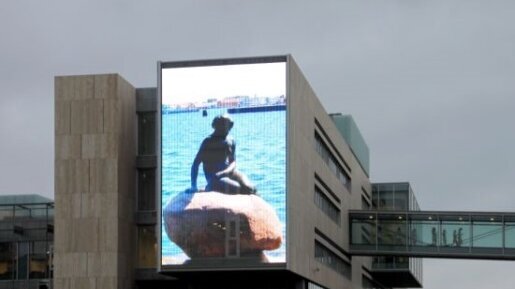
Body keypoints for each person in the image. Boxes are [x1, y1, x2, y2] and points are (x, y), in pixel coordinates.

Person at [190, 114, 256, 195]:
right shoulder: (208, 141)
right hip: (214, 176)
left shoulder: (231, 140)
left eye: (230, 126)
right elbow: (195, 164)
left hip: (229, 172)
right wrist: (194, 186)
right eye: (225, 126)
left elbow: (233, 162)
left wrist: (225, 172)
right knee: (236, 188)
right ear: (217, 126)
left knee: (250, 188)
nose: (228, 129)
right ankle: (210, 187)